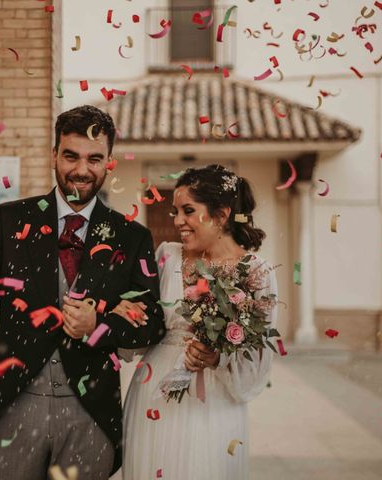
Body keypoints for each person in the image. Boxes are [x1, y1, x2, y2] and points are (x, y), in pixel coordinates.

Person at [0, 105, 166, 480]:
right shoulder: (9, 220)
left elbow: (152, 322)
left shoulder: (132, 236)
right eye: (71, 156)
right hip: (14, 405)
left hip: (90, 415)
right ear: (54, 156)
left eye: (94, 158)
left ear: (109, 162)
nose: (81, 169)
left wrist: (99, 325)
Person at [121, 164, 279, 479]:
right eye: (176, 211)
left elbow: (258, 354)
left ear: (221, 215)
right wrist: (127, 314)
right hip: (154, 389)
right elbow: (145, 321)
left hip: (215, 401)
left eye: (188, 211)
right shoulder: (167, 256)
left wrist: (218, 356)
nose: (178, 221)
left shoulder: (256, 271)